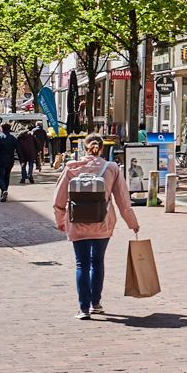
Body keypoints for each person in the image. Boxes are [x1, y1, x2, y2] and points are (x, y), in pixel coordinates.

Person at [52, 133, 140, 320]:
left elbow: (59, 200)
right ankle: (96, 304)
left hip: (77, 222)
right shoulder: (112, 168)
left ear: (84, 148)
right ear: (102, 149)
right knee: (97, 261)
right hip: (103, 222)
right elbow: (123, 201)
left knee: (81, 263)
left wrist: (61, 221)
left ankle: (83, 309)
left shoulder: (71, 168)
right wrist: (133, 223)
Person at [0, 122, 20, 202]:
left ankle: (3, 190)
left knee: (0, 177)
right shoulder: (13, 138)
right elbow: (18, 150)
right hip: (10, 160)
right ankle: (4, 192)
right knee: (7, 176)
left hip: (0, 160)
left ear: (1, 128)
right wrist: (22, 160)